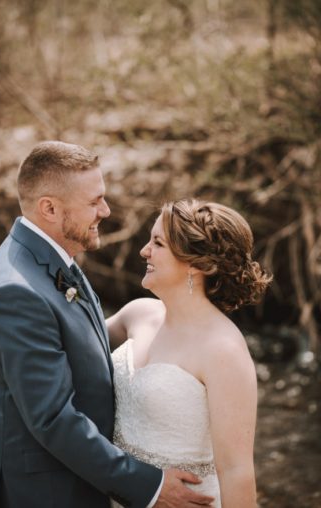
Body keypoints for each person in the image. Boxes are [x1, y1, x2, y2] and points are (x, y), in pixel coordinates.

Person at [0, 141, 214, 507]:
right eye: (94, 202)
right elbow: (53, 418)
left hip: (81, 476)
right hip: (47, 492)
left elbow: (73, 343)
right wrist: (148, 486)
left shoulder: (50, 256)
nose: (105, 210)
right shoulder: (16, 290)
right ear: (50, 209)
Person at [106, 199, 270, 507]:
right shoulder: (136, 314)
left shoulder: (224, 349)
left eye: (157, 243)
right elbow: (73, 342)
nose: (144, 251)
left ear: (199, 264)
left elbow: (237, 471)